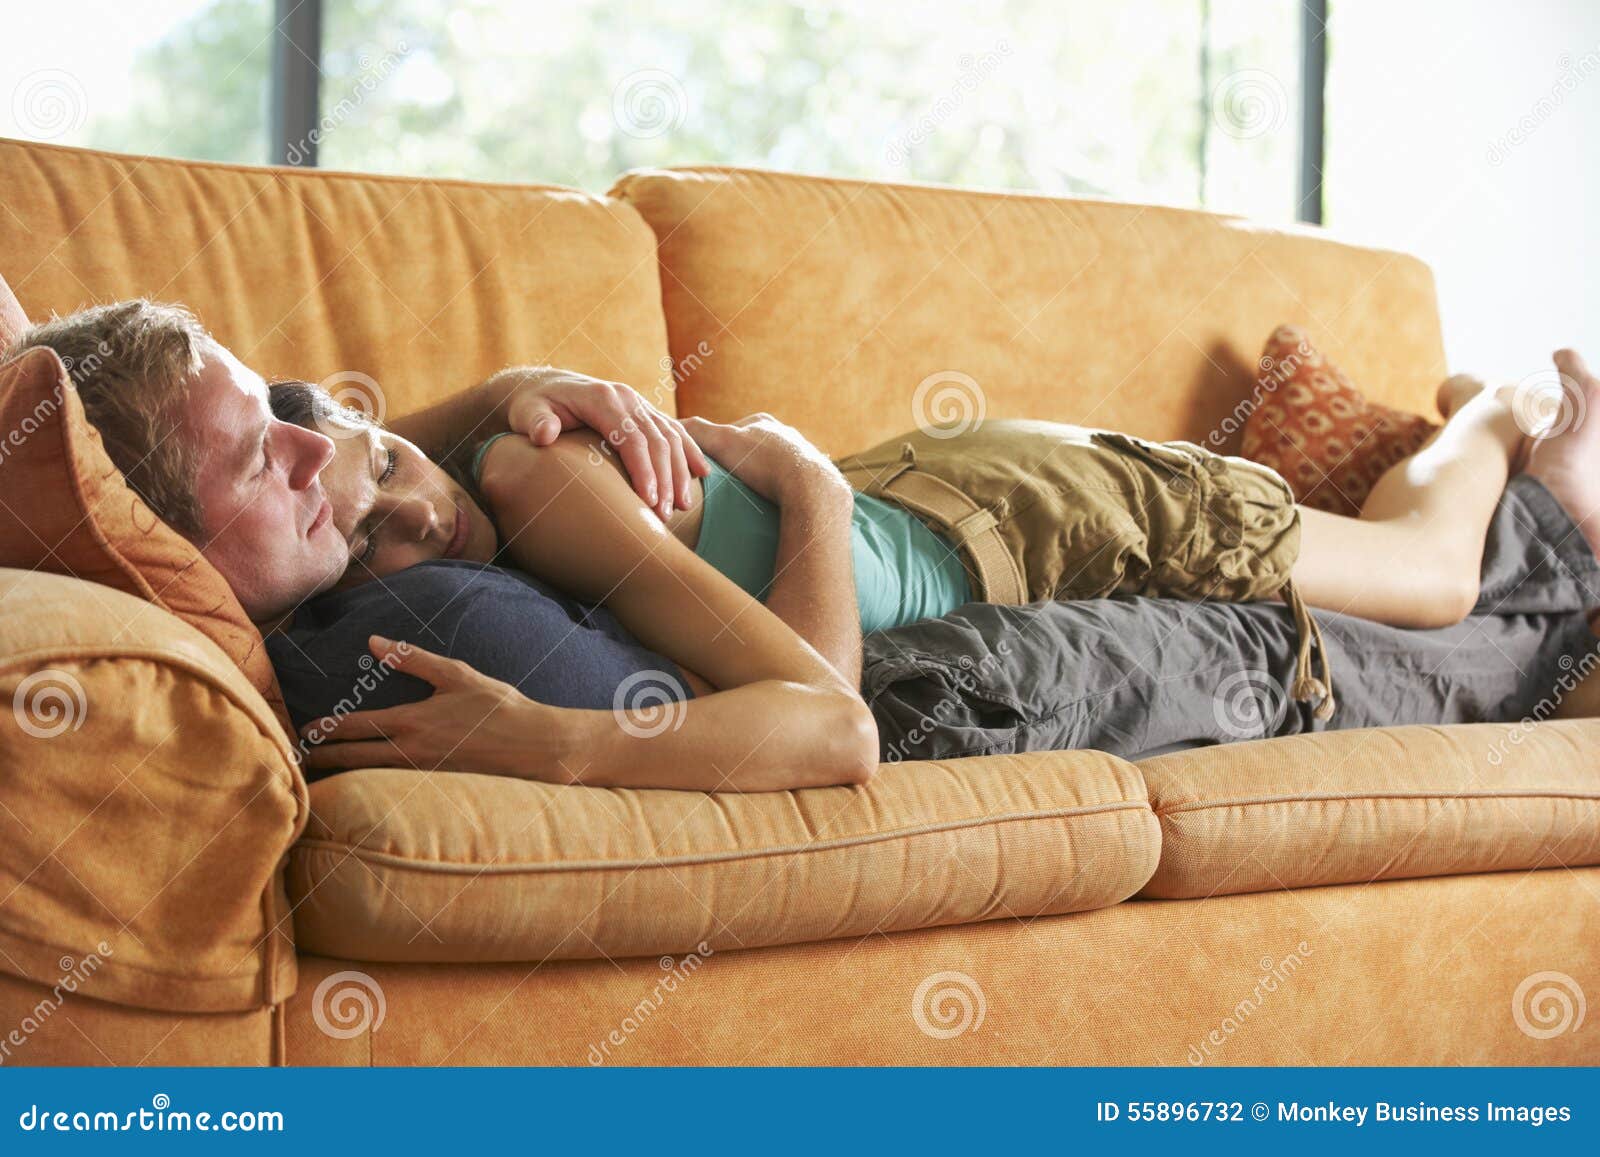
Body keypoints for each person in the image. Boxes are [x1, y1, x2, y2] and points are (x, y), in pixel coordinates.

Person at [265, 345, 1600, 783]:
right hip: (956, 519)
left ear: (385, 423)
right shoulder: (478, 488)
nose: (412, 525)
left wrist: (804, 484)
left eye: (389, 466)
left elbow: (824, 700)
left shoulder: (525, 474)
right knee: (1385, 593)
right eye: (369, 536)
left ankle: (1510, 422)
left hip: (1034, 513)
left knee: (1430, 577)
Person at [8, 300, 880, 790]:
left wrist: (814, 482)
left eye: (280, 415)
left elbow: (838, 718)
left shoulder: (516, 480)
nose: (308, 451)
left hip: (962, 497)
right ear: (172, 548)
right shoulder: (352, 577)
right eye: (257, 463)